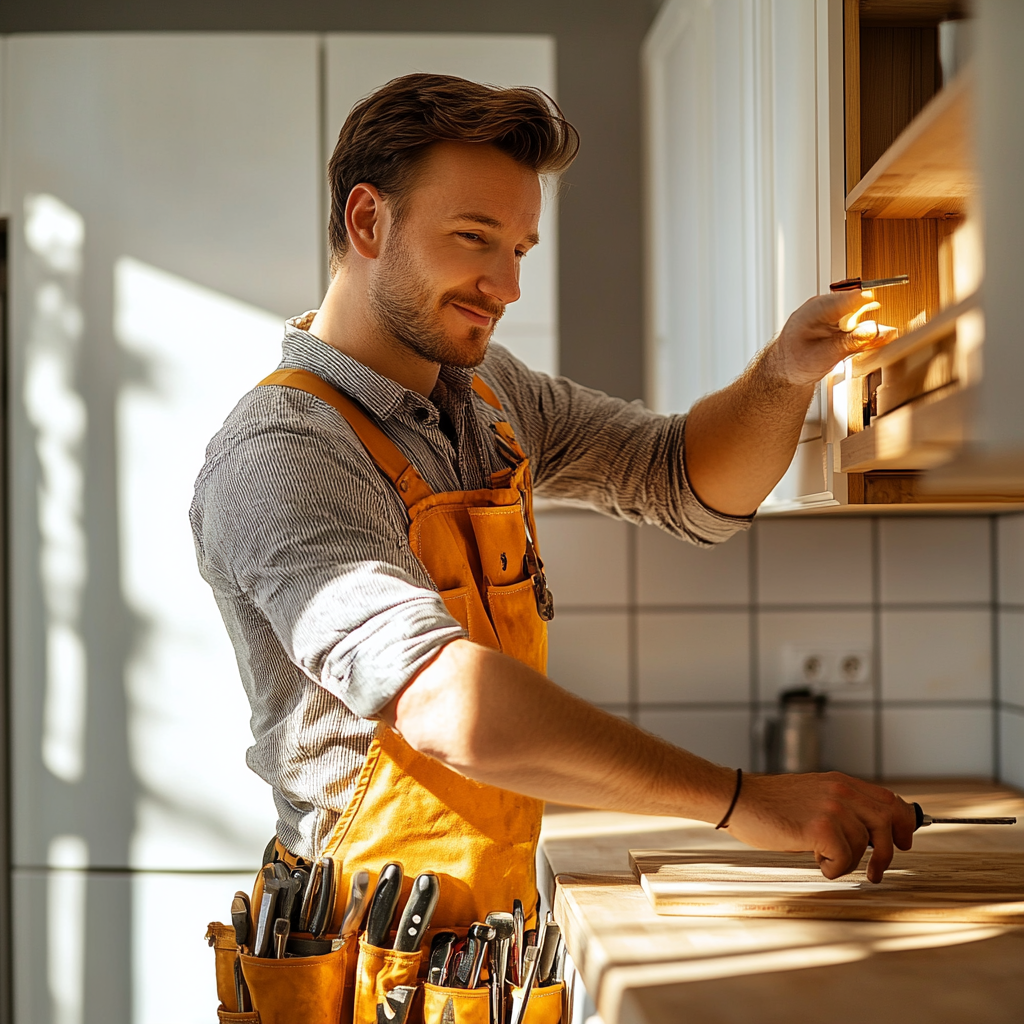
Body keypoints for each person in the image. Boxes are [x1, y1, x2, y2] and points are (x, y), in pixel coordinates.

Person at [191, 74, 915, 953]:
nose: (506, 286)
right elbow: (445, 704)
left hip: (490, 942)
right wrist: (741, 800)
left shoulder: (490, 397)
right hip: (359, 953)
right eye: (474, 238)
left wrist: (784, 373)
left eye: (520, 250)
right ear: (368, 221)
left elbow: (682, 479)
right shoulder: (284, 452)